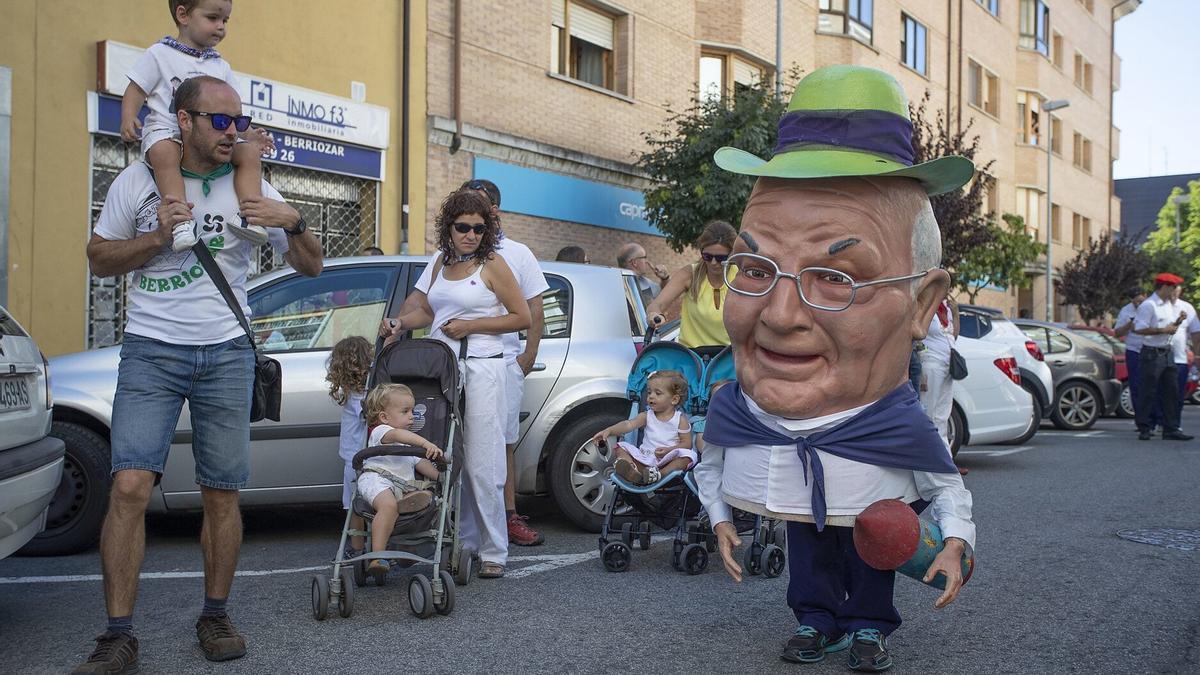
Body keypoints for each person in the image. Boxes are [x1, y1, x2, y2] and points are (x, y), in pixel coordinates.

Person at [693, 65, 975, 671]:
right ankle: (814, 619)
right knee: (809, 541)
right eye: (756, 268)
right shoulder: (738, 411)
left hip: (876, 496)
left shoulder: (896, 425)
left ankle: (870, 626)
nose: (782, 314)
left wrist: (956, 542)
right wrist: (720, 518)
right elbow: (711, 459)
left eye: (837, 277)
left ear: (923, 304)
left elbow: (944, 482)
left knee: (877, 538)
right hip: (799, 494)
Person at [76, 75, 322, 673]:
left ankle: (214, 614)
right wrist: (156, 238)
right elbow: (98, 256)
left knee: (221, 492)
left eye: (238, 122)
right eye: (219, 121)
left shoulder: (253, 182)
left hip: (226, 353)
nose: (232, 133)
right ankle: (117, 635)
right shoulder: (140, 181)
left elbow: (313, 268)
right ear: (182, 121)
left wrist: (292, 222)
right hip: (151, 351)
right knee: (131, 487)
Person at [380, 189, 531, 578]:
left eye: (479, 229)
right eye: (463, 227)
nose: (470, 235)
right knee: (447, 455)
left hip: (483, 367)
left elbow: (522, 317)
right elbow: (430, 309)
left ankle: (494, 549)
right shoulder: (440, 262)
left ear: (488, 231)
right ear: (449, 227)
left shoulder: (493, 264)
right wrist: (400, 324)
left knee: (484, 460)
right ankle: (461, 541)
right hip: (443, 368)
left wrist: (471, 326)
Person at [121, 0, 270, 253]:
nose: (221, 27)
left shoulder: (220, 66)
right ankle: (180, 222)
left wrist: (249, 135)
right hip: (167, 131)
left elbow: (232, 111)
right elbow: (136, 88)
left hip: (209, 138)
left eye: (225, 21)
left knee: (248, 154)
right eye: (213, 18)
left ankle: (248, 215)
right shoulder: (160, 54)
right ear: (183, 15)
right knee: (164, 153)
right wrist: (128, 117)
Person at [457, 178, 550, 547]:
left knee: (502, 442)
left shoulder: (517, 252)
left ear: (493, 210)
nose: (469, 225)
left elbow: (535, 308)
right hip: (459, 363)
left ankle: (507, 516)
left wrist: (528, 354)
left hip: (502, 361)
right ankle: (460, 524)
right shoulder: (451, 250)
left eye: (477, 205)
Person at [359, 383, 444, 582]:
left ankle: (405, 547)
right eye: (405, 411)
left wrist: (442, 476)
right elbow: (398, 435)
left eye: (413, 411)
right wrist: (424, 443)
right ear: (384, 417)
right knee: (389, 506)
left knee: (423, 502)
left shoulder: (408, 446)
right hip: (377, 480)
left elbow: (424, 466)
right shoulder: (381, 432)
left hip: (402, 489)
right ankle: (377, 557)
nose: (412, 416)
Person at [644, 221, 737, 351]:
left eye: (721, 258)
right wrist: (654, 315)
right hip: (692, 358)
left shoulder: (741, 276)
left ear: (733, 254)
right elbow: (656, 305)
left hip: (729, 359)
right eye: (707, 256)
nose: (714, 263)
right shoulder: (690, 274)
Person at [590, 370, 694, 485]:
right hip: (645, 459)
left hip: (668, 460)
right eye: (649, 392)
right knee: (621, 447)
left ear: (674, 399)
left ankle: (660, 474)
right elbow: (628, 425)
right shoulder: (646, 416)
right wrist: (609, 430)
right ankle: (631, 469)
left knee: (688, 456)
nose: (651, 397)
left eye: (657, 393)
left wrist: (669, 450)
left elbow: (687, 444)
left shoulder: (680, 420)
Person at [326, 336, 372, 558]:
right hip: (370, 456)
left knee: (355, 504)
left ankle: (356, 547)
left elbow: (365, 415)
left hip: (355, 459)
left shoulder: (357, 398)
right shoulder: (370, 393)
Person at [1132, 273, 1193, 441]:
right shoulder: (1149, 305)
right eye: (1172, 287)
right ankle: (1144, 427)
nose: (1175, 290)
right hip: (1152, 353)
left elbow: (1168, 327)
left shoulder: (1167, 305)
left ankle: (1170, 428)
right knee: (1148, 391)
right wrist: (1161, 331)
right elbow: (1138, 328)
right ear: (1164, 286)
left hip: (1167, 352)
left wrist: (1179, 321)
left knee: (1171, 392)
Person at [919, 295, 966, 475]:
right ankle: (929, 463)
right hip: (931, 363)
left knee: (942, 415)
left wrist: (955, 312)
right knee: (929, 414)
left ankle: (946, 462)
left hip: (947, 364)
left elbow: (953, 336)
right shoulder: (925, 304)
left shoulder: (946, 306)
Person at [1113, 287, 1147, 424]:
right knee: (1136, 386)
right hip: (1134, 351)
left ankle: (1155, 419)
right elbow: (1117, 333)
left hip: (1150, 350)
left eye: (1140, 301)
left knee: (1152, 386)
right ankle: (1140, 420)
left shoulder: (1152, 307)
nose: (1137, 304)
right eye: (1135, 302)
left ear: (1145, 295)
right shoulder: (1126, 311)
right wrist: (1130, 324)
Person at [617, 242, 671, 307]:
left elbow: (665, 294)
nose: (647, 261)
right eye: (644, 257)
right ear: (634, 262)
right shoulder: (616, 285)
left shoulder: (645, 282)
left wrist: (665, 278)